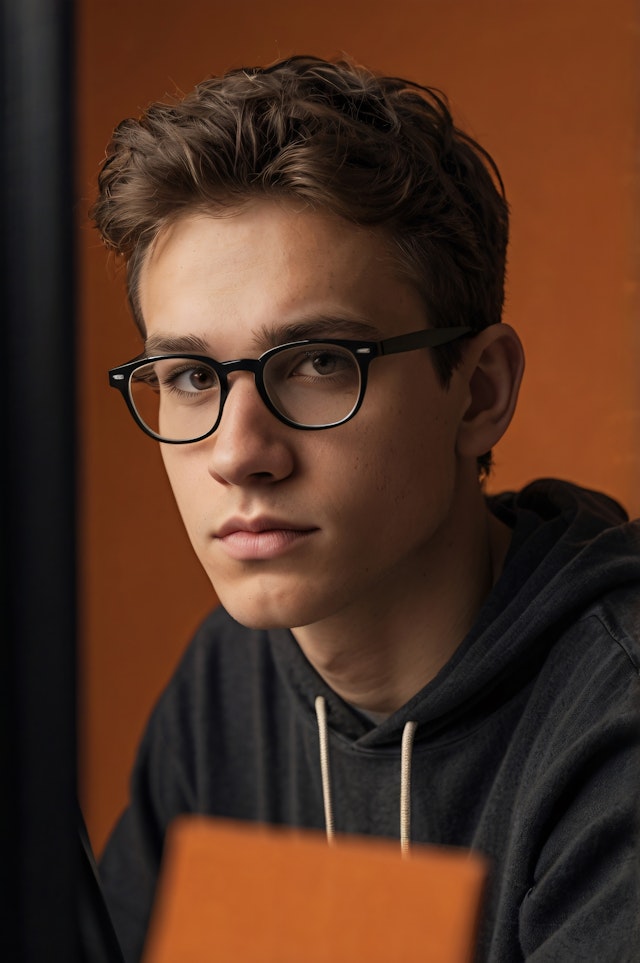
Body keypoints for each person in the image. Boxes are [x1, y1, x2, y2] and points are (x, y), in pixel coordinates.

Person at [92, 55, 640, 962]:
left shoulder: (613, 730)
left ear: (478, 393)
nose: (238, 454)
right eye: (192, 377)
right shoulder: (229, 679)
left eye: (317, 363)